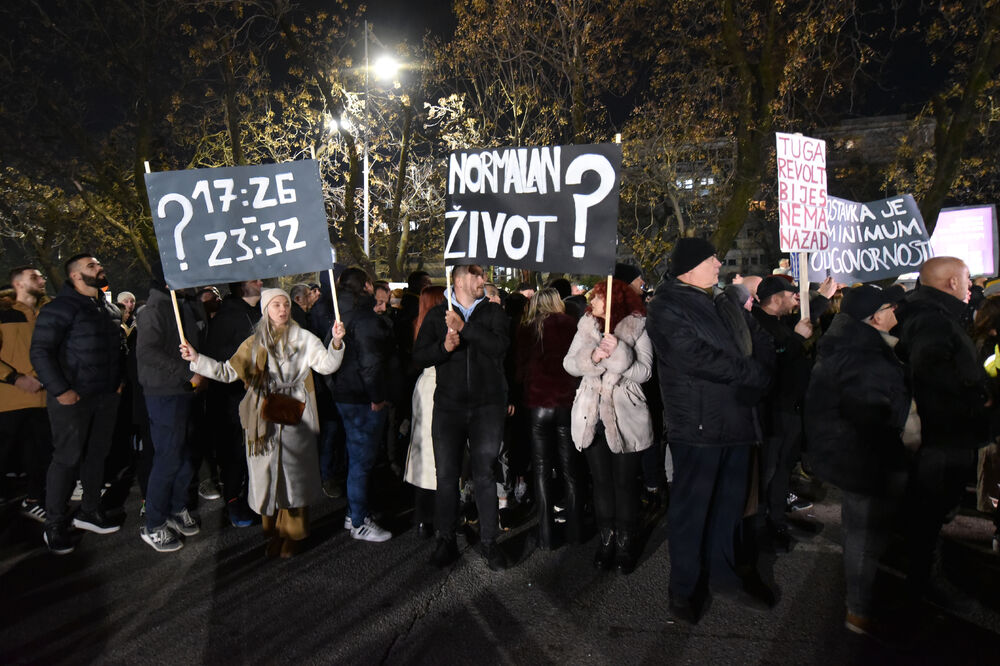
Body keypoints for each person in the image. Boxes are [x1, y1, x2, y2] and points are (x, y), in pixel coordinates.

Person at [646, 238, 775, 623]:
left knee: (730, 508)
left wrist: (760, 370)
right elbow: (694, 356)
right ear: (689, 267)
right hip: (699, 427)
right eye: (711, 258)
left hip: (737, 421)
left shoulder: (723, 301)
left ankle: (724, 577)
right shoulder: (667, 306)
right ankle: (683, 590)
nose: (719, 263)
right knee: (692, 513)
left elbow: (760, 339)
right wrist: (751, 374)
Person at [180, 288, 346, 558]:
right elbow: (227, 372)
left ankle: (293, 535)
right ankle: (272, 532)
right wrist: (197, 359)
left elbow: (327, 365)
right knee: (266, 476)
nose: (282, 309)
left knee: (294, 477)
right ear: (265, 309)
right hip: (262, 417)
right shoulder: (253, 343)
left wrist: (336, 342)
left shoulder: (304, 338)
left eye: (285, 304)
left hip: (295, 414)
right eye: (276, 305)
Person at [804, 284, 909, 636]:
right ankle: (860, 608)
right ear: (875, 317)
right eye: (891, 308)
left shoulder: (853, 344)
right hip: (864, 456)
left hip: (854, 454)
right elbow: (872, 416)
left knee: (861, 529)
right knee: (863, 534)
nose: (896, 314)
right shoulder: (864, 355)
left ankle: (861, 600)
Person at [895, 256, 992, 603]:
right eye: (966, 280)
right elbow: (932, 374)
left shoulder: (932, 314)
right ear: (952, 282)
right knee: (929, 515)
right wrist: (975, 399)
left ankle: (922, 577)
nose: (969, 287)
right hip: (943, 436)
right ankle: (922, 584)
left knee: (931, 512)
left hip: (945, 435)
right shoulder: (933, 320)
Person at [413, 263, 511, 570]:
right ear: (457, 279)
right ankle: (445, 540)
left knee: (485, 474)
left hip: (487, 407)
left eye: (483, 274)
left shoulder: (493, 312)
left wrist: (465, 328)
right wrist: (443, 347)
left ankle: (489, 541)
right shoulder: (436, 315)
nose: (483, 279)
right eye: (476, 274)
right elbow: (418, 356)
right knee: (446, 476)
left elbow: (500, 347)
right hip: (449, 407)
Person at [30, 253, 126, 554]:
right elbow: (40, 351)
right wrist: (61, 390)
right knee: (67, 459)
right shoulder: (59, 308)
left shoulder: (110, 309)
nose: (100, 268)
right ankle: (55, 523)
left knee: (97, 456)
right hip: (73, 399)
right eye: (91, 266)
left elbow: (118, 348)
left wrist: (119, 381)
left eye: (98, 264)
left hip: (106, 397)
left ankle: (89, 511)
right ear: (75, 276)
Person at [564, 279, 653, 572]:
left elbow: (645, 372)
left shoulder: (636, 326)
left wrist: (619, 352)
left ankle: (626, 543)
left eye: (599, 296)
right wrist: (593, 357)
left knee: (624, 483)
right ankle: (607, 540)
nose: (592, 301)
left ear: (614, 299)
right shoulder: (586, 325)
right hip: (592, 415)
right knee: (601, 482)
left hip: (625, 414)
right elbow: (569, 364)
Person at [135, 269, 207, 552]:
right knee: (168, 458)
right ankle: (153, 523)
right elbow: (147, 352)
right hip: (165, 394)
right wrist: (187, 373)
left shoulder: (183, 305)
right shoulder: (153, 310)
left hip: (183, 391)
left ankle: (177, 507)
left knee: (185, 455)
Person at [325, 267, 393, 542]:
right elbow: (370, 364)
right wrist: (377, 396)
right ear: (365, 286)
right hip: (362, 398)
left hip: (344, 393)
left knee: (355, 457)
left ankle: (354, 511)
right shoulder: (364, 319)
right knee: (362, 460)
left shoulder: (337, 313)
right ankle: (359, 522)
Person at [515, 288, 582, 550]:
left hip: (538, 403)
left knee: (542, 470)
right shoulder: (570, 324)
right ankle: (575, 530)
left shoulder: (528, 328)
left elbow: (519, 368)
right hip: (566, 402)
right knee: (570, 469)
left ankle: (546, 534)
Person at [204, 279, 262, 527]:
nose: (260, 282)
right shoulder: (226, 318)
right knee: (235, 452)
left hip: (258, 396)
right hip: (232, 398)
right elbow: (218, 359)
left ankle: (253, 497)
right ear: (240, 287)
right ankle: (233, 500)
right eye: (254, 280)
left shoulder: (259, 313)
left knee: (256, 450)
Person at [0, 266, 51, 523]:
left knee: (39, 456)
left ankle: (33, 500)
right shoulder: (4, 313)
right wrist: (16, 378)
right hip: (8, 400)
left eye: (42, 276)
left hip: (43, 399)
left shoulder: (48, 313)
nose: (42, 280)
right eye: (34, 277)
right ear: (18, 283)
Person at [403, 286, 447, 538]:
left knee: (424, 450)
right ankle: (437, 518)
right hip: (437, 387)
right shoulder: (441, 325)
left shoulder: (417, 324)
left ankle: (422, 517)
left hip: (424, 387)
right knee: (439, 451)